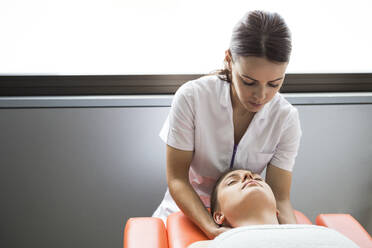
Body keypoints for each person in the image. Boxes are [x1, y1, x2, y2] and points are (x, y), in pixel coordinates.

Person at [152, 9, 302, 239]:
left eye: (274, 84)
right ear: (230, 60)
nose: (260, 95)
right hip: (185, 215)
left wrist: (295, 238)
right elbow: (177, 179)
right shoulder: (192, 98)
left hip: (247, 223)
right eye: (249, 81)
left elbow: (280, 197)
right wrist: (212, 229)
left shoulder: (285, 119)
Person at [188, 169, 359, 248]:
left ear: (277, 211)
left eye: (258, 179)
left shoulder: (329, 235)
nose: (249, 176)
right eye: (232, 181)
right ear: (218, 216)